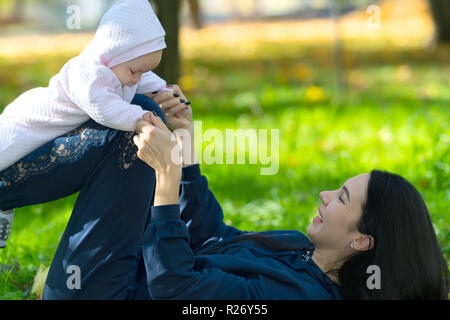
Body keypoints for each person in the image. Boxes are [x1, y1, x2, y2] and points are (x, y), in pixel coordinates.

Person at [2, 83, 447, 299]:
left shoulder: (298, 297)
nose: (325, 195)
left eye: (342, 199)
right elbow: (211, 235)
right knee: (143, 108)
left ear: (361, 241)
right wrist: (187, 146)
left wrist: (166, 183)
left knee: (131, 127)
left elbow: (177, 290)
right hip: (119, 276)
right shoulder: (298, 253)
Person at [0, 0, 187, 247]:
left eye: (142, 72)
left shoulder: (122, 68)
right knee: (8, 152)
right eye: (135, 71)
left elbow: (142, 77)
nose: (137, 79)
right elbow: (103, 107)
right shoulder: (87, 71)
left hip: (61, 132)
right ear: (114, 51)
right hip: (33, 122)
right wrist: (139, 119)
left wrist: (164, 89)